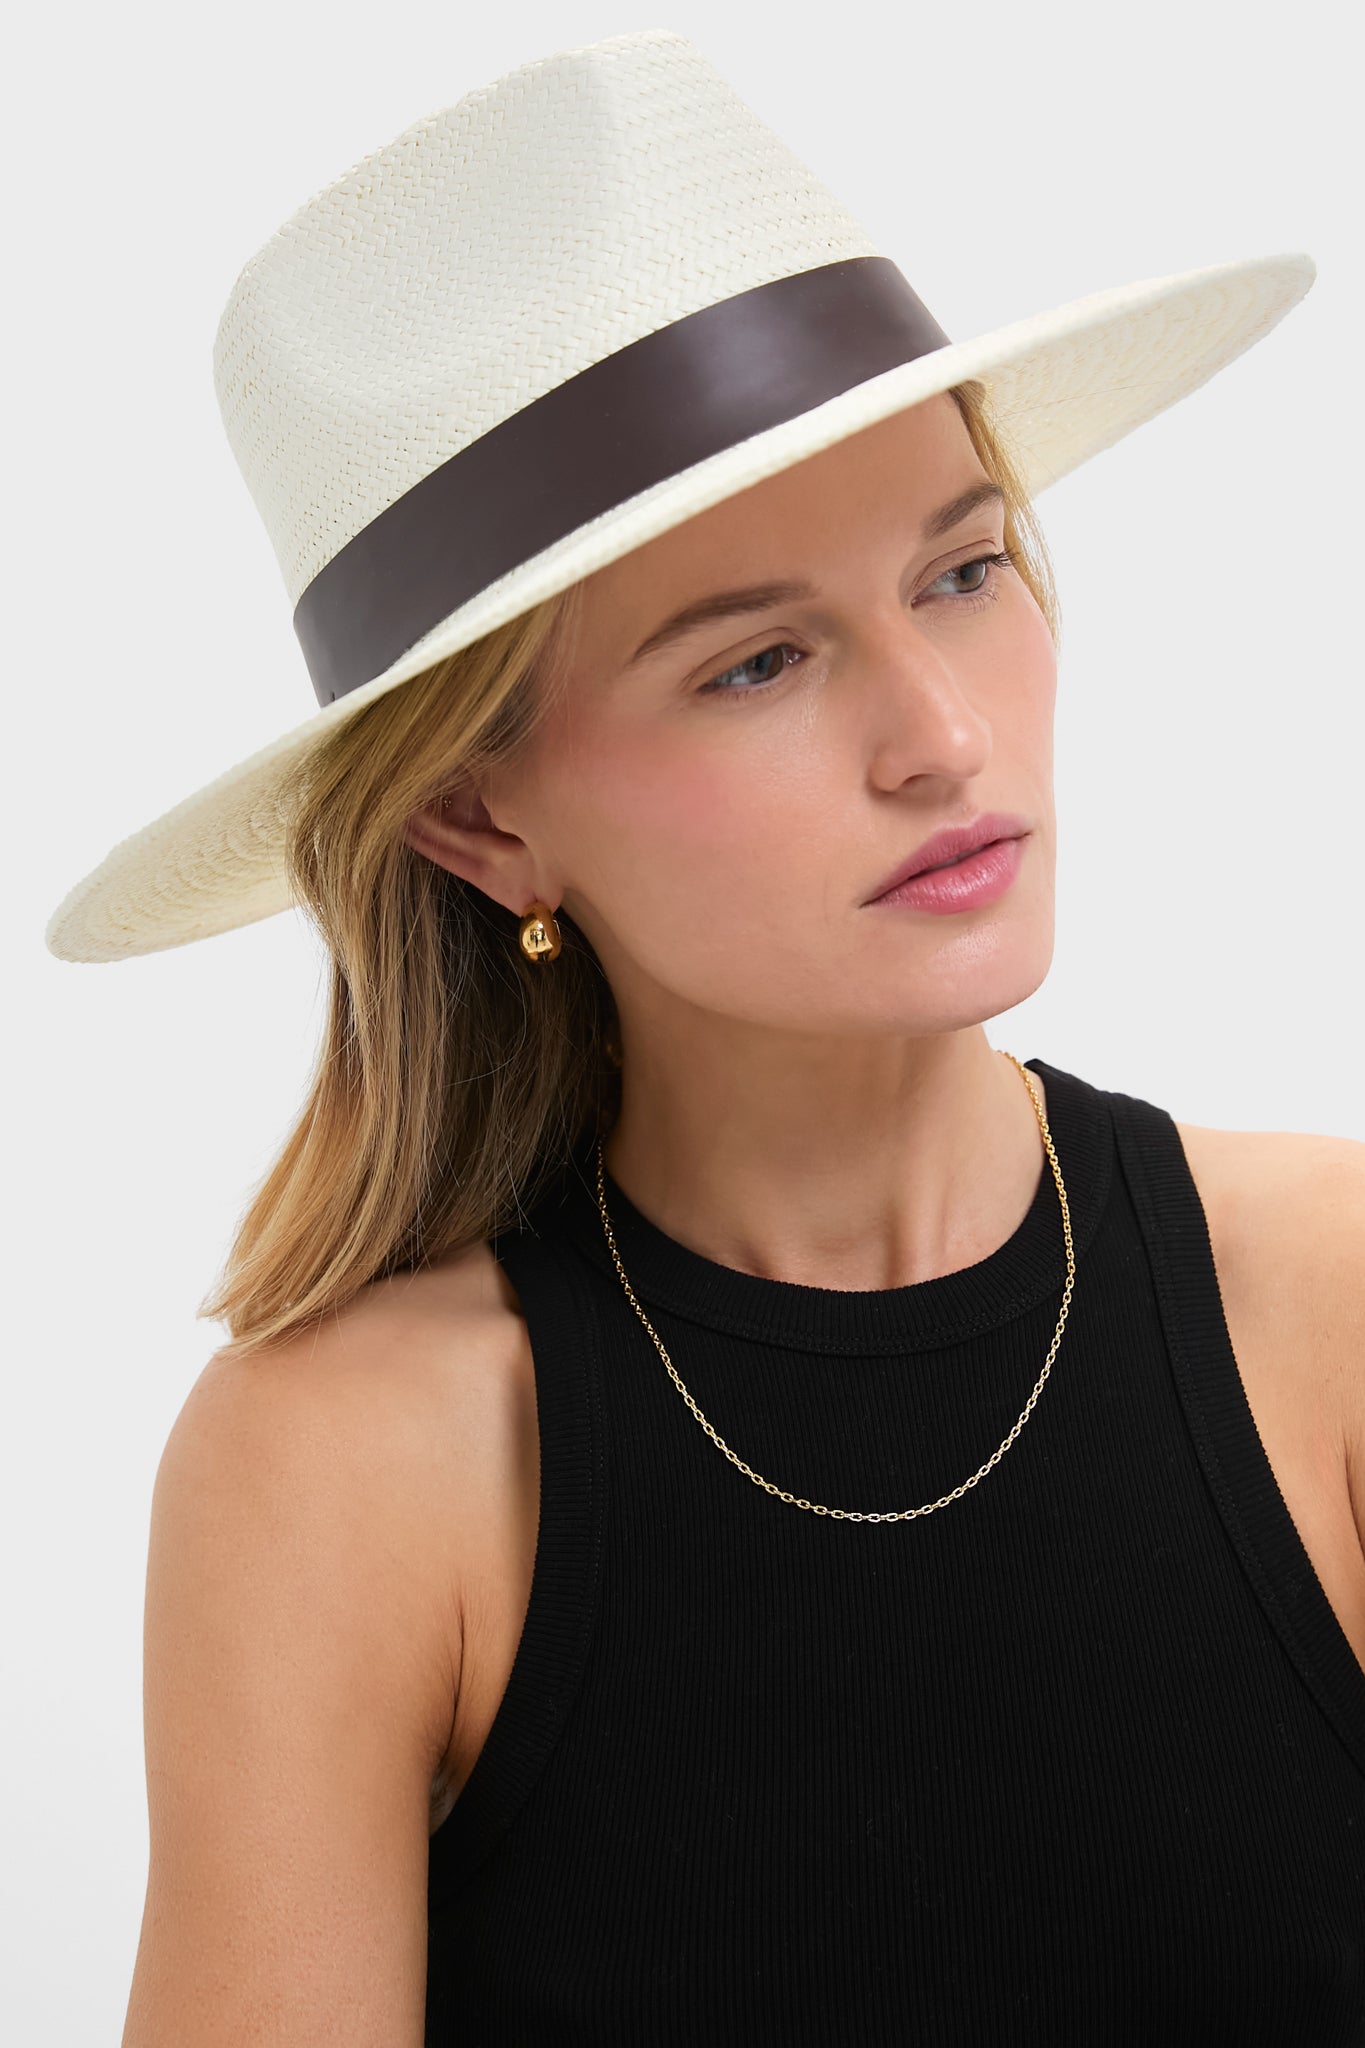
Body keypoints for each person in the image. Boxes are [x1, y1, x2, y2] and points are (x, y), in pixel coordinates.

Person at [43, 29, 1363, 2048]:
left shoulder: (1329, 1299)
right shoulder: (350, 1469)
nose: (941, 735)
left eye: (963, 567)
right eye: (755, 661)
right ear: (480, 824)